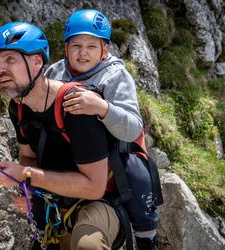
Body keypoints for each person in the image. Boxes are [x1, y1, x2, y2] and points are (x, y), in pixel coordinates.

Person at [0, 22, 120, 250]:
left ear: (37, 61)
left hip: (100, 204)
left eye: (10, 59)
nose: (0, 70)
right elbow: (28, 156)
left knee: (87, 245)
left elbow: (94, 187)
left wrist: (26, 175)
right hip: (54, 205)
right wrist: (26, 189)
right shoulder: (18, 107)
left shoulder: (75, 106)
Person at [45, 9, 159, 250]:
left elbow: (132, 128)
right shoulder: (55, 72)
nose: (83, 52)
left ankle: (146, 236)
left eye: (91, 46)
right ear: (66, 48)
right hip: (68, 165)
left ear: (104, 50)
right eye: (76, 45)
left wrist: (102, 108)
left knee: (137, 171)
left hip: (111, 169)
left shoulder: (115, 76)